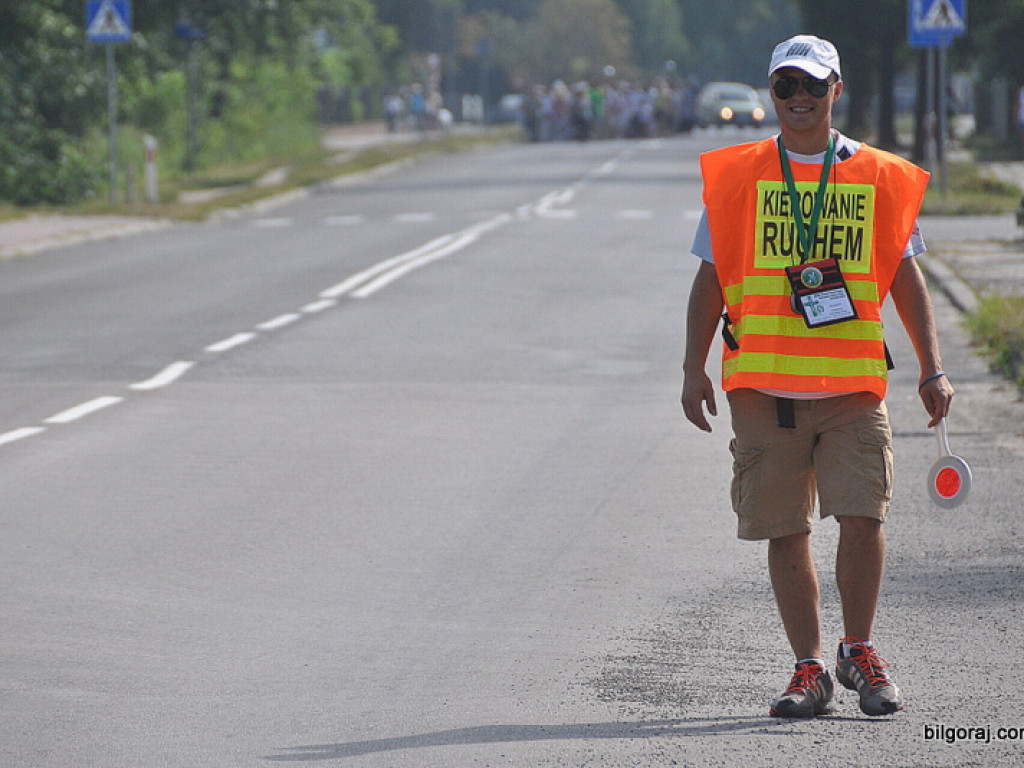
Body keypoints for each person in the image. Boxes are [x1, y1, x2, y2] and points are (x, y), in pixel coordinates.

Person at [680, 35, 954, 719]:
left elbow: (904, 276)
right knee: (785, 529)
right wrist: (692, 367)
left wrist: (932, 368)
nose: (798, 98)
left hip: (853, 388)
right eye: (785, 86)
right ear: (772, 92)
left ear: (838, 89)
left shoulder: (879, 176)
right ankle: (808, 669)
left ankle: (857, 649)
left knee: (864, 517)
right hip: (763, 390)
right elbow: (710, 280)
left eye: (812, 85)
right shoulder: (740, 174)